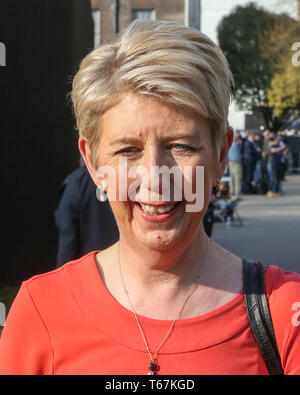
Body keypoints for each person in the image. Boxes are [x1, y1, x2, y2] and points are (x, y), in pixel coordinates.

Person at [0, 20, 299, 375]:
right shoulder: (41, 312)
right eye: (128, 150)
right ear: (93, 163)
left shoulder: (285, 313)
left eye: (181, 146)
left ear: (221, 155)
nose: (156, 176)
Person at [54, 162, 119, 268]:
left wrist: (63, 277)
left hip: (91, 270)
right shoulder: (125, 178)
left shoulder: (77, 182)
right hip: (124, 270)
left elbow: (68, 239)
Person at [228, 132, 242, 198]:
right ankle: (237, 192)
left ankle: (232, 191)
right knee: (237, 177)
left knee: (232, 177)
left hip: (230, 162)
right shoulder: (236, 144)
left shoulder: (229, 144)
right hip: (236, 162)